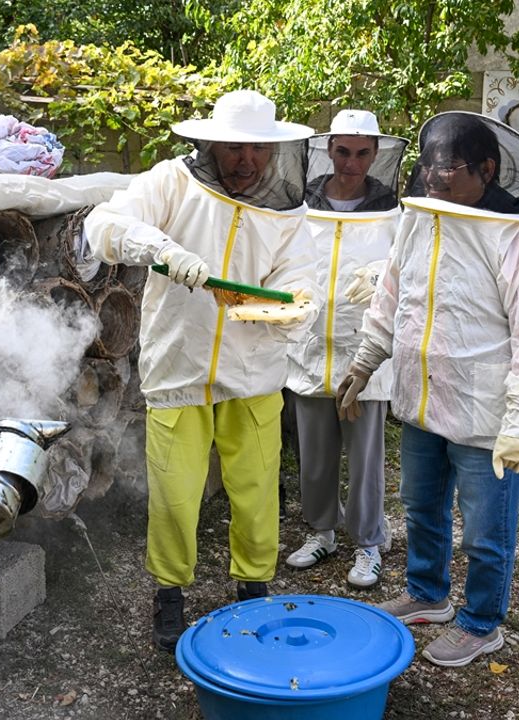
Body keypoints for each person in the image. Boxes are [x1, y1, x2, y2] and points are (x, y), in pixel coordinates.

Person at [84, 89, 317, 652]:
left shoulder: (288, 214)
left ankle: (254, 589)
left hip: (254, 373)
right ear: (211, 144)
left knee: (256, 490)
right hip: (178, 368)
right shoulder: (172, 182)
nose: (246, 159)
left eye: (257, 149)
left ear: (274, 151)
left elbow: (301, 289)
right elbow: (104, 225)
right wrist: (163, 250)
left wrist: (271, 306)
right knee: (175, 492)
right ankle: (169, 594)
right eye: (234, 147)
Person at [336, 111, 519, 667]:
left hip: (486, 410)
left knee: (485, 531)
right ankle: (427, 594)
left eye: (451, 168)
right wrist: (365, 362)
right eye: (429, 166)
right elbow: (394, 295)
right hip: (422, 397)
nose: (435, 178)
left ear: (487, 170)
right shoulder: (422, 219)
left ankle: (483, 622)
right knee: (421, 507)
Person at [284, 110, 408, 588]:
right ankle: (322, 531)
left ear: (376, 154)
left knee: (365, 459)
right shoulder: (302, 207)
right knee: (314, 455)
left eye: (361, 153)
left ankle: (369, 541)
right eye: (342, 151)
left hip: (365, 353)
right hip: (310, 347)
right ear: (328, 149)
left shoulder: (394, 215)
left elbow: (410, 271)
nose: (350, 163)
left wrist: (382, 277)